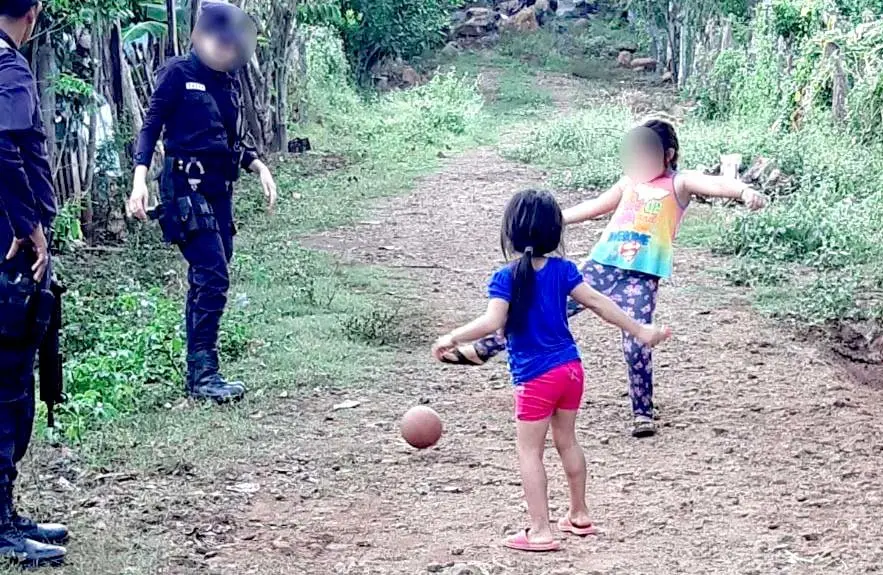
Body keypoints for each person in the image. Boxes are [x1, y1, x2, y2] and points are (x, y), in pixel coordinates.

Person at [441, 118, 767, 438]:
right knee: (535, 308)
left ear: (667, 154)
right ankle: (484, 348)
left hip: (641, 277)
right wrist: (549, 220)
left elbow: (715, 184)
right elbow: (595, 206)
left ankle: (642, 410)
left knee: (636, 339)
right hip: (601, 265)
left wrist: (743, 191)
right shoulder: (628, 182)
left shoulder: (678, 183)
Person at [432, 190, 671, 552]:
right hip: (570, 371)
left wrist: (452, 336)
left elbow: (492, 320)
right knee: (567, 441)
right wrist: (640, 330)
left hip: (534, 378)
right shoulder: (564, 271)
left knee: (530, 452)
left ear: (509, 234)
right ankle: (579, 514)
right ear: (556, 233)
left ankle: (540, 530)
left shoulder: (506, 276)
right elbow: (599, 303)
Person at [126, 0, 277, 403]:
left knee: (209, 277)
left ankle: (198, 370)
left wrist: (258, 165)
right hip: (184, 188)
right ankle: (204, 375)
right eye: (220, 43)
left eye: (233, 47)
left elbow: (230, 139)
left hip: (219, 192)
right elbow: (151, 126)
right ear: (200, 36)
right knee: (212, 273)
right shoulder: (178, 73)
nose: (226, 52)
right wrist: (140, 180)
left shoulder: (230, 82)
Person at [0, 0, 69, 566]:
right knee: (7, 384)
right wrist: (31, 228)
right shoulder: (9, 68)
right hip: (8, 249)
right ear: (34, 13)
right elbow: (3, 146)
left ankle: (6, 511)